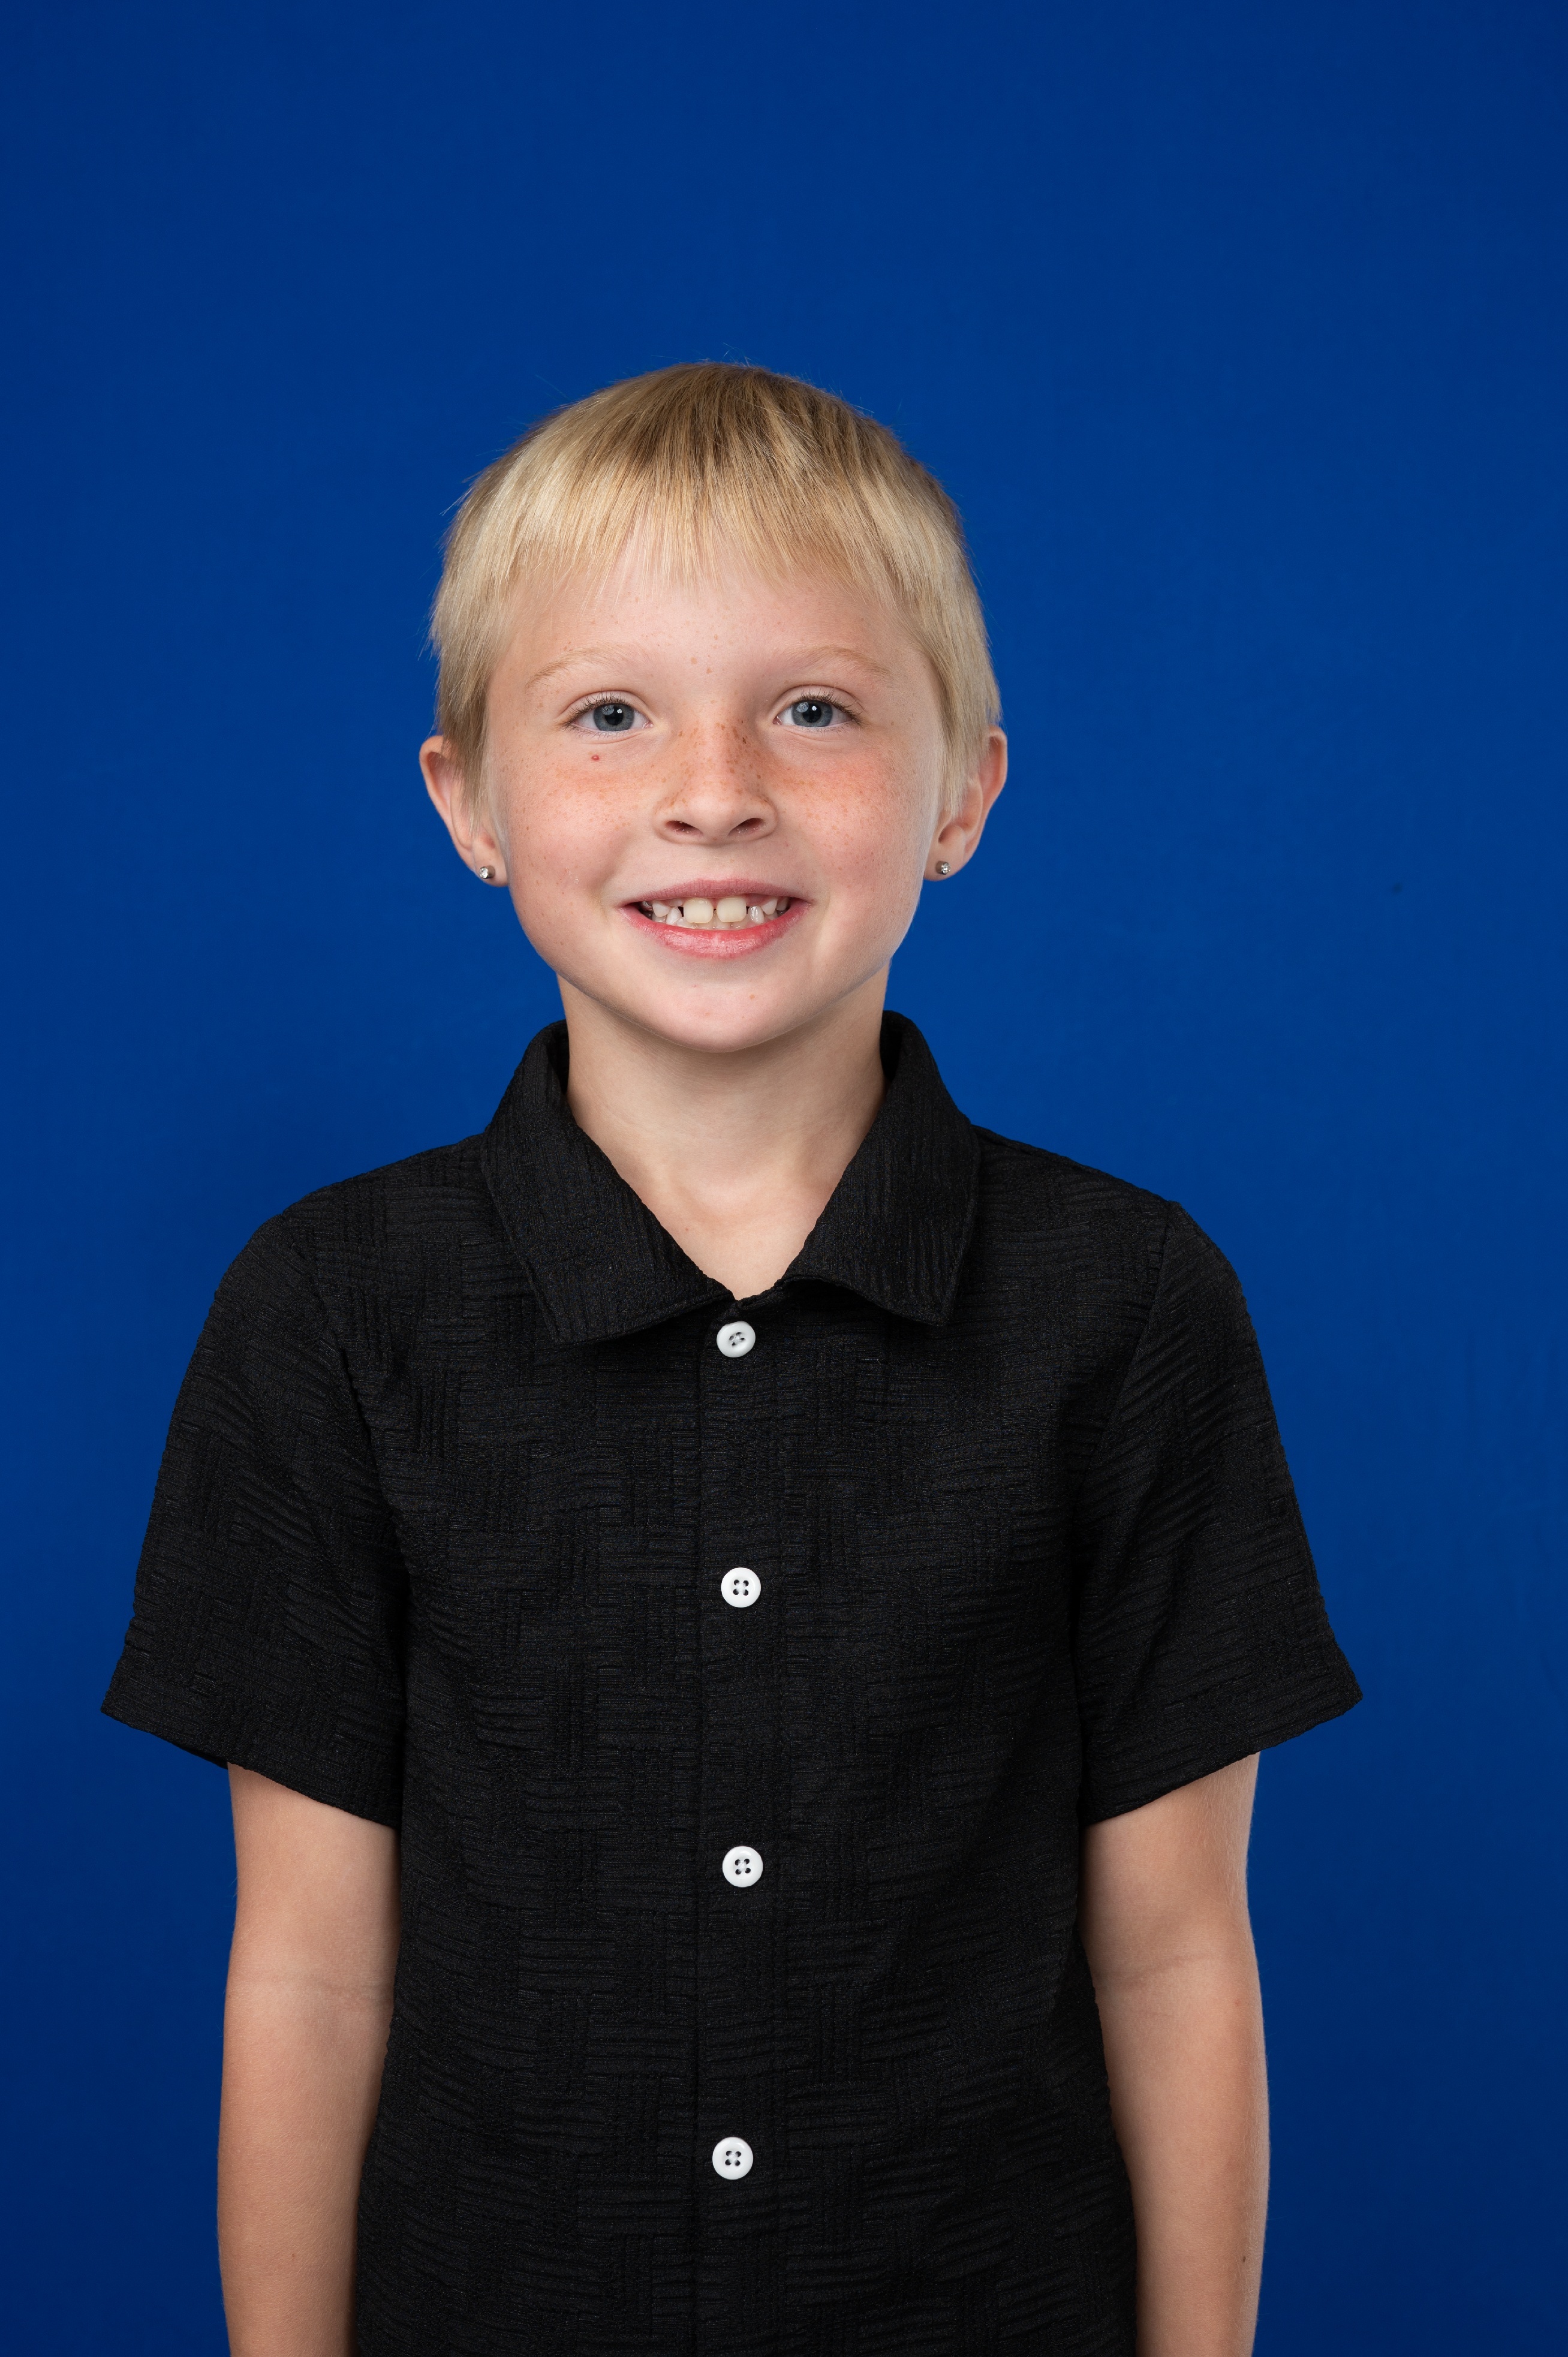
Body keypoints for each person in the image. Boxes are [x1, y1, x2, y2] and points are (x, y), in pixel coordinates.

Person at [103, 362, 1360, 2357]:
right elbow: (315, 1974)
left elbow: (1179, 1952)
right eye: (610, 713)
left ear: (964, 792)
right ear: (469, 801)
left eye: (815, 710)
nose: (714, 789)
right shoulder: (329, 1313)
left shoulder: (1127, 1307)